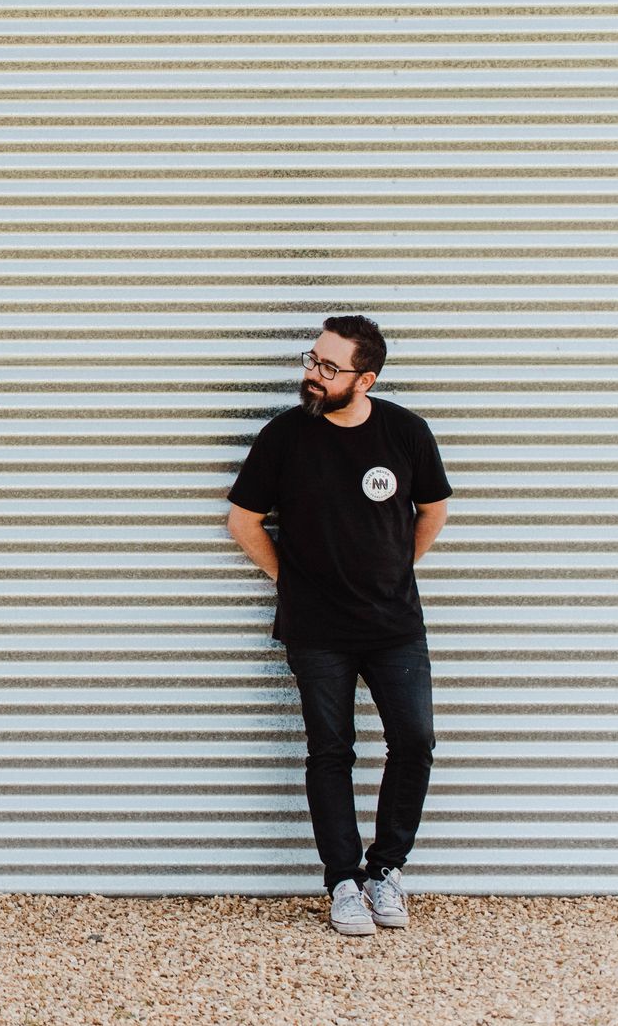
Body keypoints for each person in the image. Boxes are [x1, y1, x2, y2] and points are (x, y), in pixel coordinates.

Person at [226, 315, 451, 936]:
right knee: (332, 751)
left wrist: (393, 570)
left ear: (366, 377)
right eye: (312, 360)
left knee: (415, 742)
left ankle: (386, 871)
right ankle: (343, 881)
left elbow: (433, 508)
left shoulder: (406, 433)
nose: (312, 375)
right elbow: (243, 522)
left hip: (395, 626)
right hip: (316, 631)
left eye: (329, 367)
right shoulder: (284, 437)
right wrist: (293, 582)